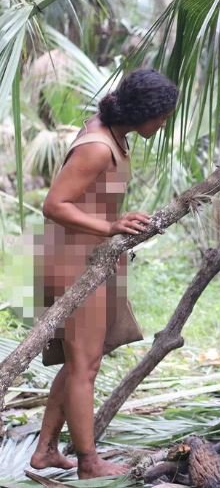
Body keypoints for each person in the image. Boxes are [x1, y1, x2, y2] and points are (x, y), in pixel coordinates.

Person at [29, 68, 178, 478]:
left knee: (82, 360)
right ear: (144, 111)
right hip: (74, 262)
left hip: (90, 258)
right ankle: (88, 463)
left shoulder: (113, 135)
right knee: (84, 367)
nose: (163, 123)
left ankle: (44, 450)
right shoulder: (98, 146)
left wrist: (113, 226)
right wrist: (110, 227)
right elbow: (55, 204)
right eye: (162, 116)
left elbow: (91, 202)